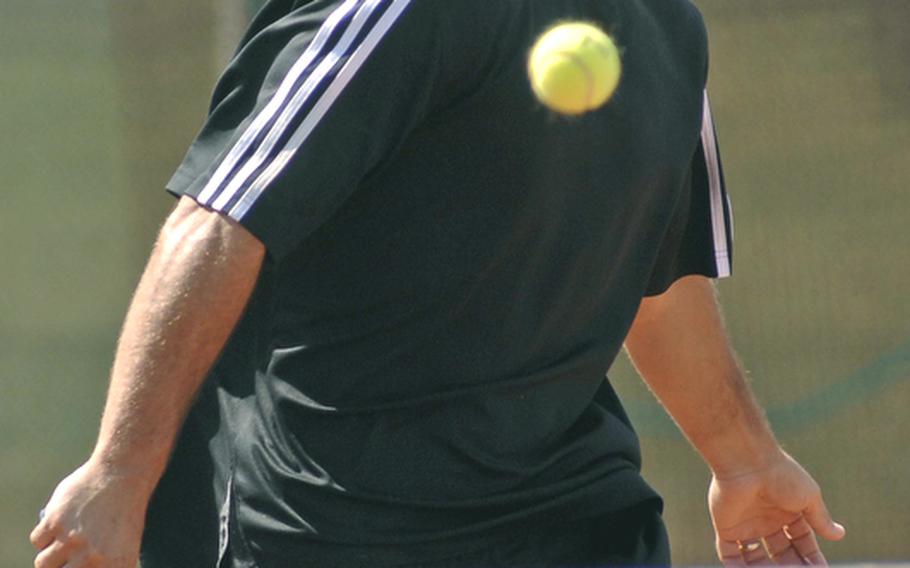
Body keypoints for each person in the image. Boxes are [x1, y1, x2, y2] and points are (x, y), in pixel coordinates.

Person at [30, 1, 845, 566]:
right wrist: (121, 473)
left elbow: (659, 278)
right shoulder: (395, 11)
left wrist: (744, 463)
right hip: (331, 529)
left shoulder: (669, 30)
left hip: (572, 524)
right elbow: (219, 222)